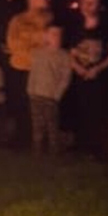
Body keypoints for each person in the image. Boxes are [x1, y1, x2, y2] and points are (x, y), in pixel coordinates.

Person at [69, 0, 108, 162]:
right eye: (86, 2)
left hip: (103, 79)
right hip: (82, 77)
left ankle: (106, 152)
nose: (88, 5)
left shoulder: (107, 27)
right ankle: (87, 149)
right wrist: (77, 67)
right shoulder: (76, 28)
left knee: (102, 113)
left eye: (92, 2)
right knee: (85, 112)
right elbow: (71, 53)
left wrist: (98, 69)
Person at [5, 0, 52, 148]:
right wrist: (34, 44)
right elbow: (12, 43)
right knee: (22, 105)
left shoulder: (50, 19)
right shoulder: (18, 20)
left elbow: (51, 42)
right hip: (21, 67)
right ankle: (22, 140)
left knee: (41, 107)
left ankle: (41, 142)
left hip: (42, 70)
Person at [27, 26, 72, 156]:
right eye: (53, 34)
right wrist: (30, 89)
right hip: (36, 95)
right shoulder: (38, 53)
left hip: (51, 96)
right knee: (37, 125)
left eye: (58, 35)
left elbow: (66, 77)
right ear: (46, 36)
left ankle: (54, 151)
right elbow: (33, 72)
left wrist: (57, 95)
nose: (56, 37)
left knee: (52, 124)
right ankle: (37, 150)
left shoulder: (64, 56)